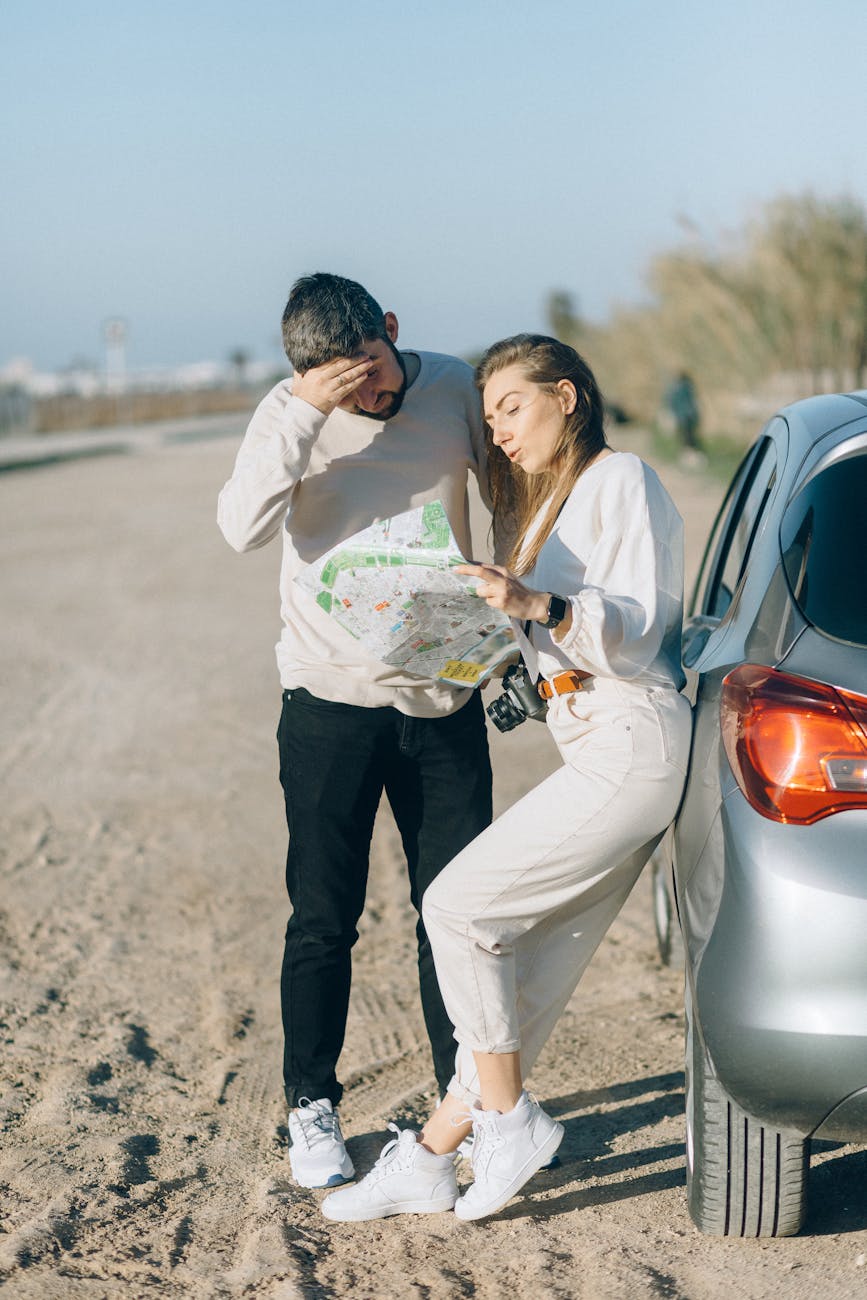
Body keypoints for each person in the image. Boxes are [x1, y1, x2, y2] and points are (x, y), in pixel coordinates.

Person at [320, 334, 692, 1224]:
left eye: (513, 408)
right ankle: (429, 1155)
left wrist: (534, 604)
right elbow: (551, 638)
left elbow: (640, 630)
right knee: (523, 975)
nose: (500, 431)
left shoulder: (622, 478)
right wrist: (471, 635)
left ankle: (508, 1120)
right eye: (487, 418)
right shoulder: (542, 509)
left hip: (632, 736)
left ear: (566, 396)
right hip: (591, 737)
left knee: (457, 909)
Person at [217, 273, 494, 1190]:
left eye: (373, 368)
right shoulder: (286, 412)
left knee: (453, 920)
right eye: (344, 383)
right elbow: (240, 530)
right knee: (323, 917)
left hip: (440, 699)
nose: (369, 395)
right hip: (328, 703)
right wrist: (303, 413)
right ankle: (310, 1108)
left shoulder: (453, 384)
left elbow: (516, 499)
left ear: (391, 328)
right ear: (304, 372)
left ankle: (471, 1107)